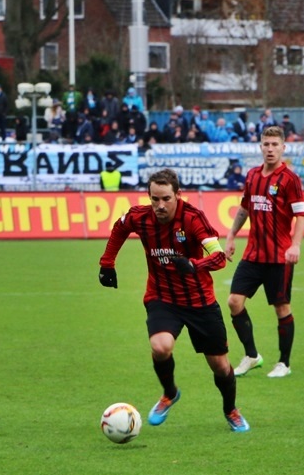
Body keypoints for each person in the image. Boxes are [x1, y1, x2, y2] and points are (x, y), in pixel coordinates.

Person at [97, 169, 249, 433]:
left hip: (200, 301)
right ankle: (170, 393)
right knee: (160, 346)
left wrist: (193, 264)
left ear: (178, 195)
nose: (160, 205)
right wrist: (107, 263)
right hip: (162, 297)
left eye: (166, 198)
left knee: (221, 366)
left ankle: (231, 410)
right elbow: (119, 228)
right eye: (154, 199)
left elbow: (219, 257)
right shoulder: (139, 217)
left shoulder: (193, 218)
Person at [224, 126, 304, 378]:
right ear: (260, 147)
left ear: (283, 148)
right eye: (266, 144)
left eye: (275, 145)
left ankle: (284, 363)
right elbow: (244, 209)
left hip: (279, 256)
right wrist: (230, 236)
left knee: (281, 307)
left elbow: (301, 215)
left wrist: (296, 245)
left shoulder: (290, 179)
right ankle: (252, 356)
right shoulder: (252, 176)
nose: (270, 149)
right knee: (234, 302)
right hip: (253, 255)